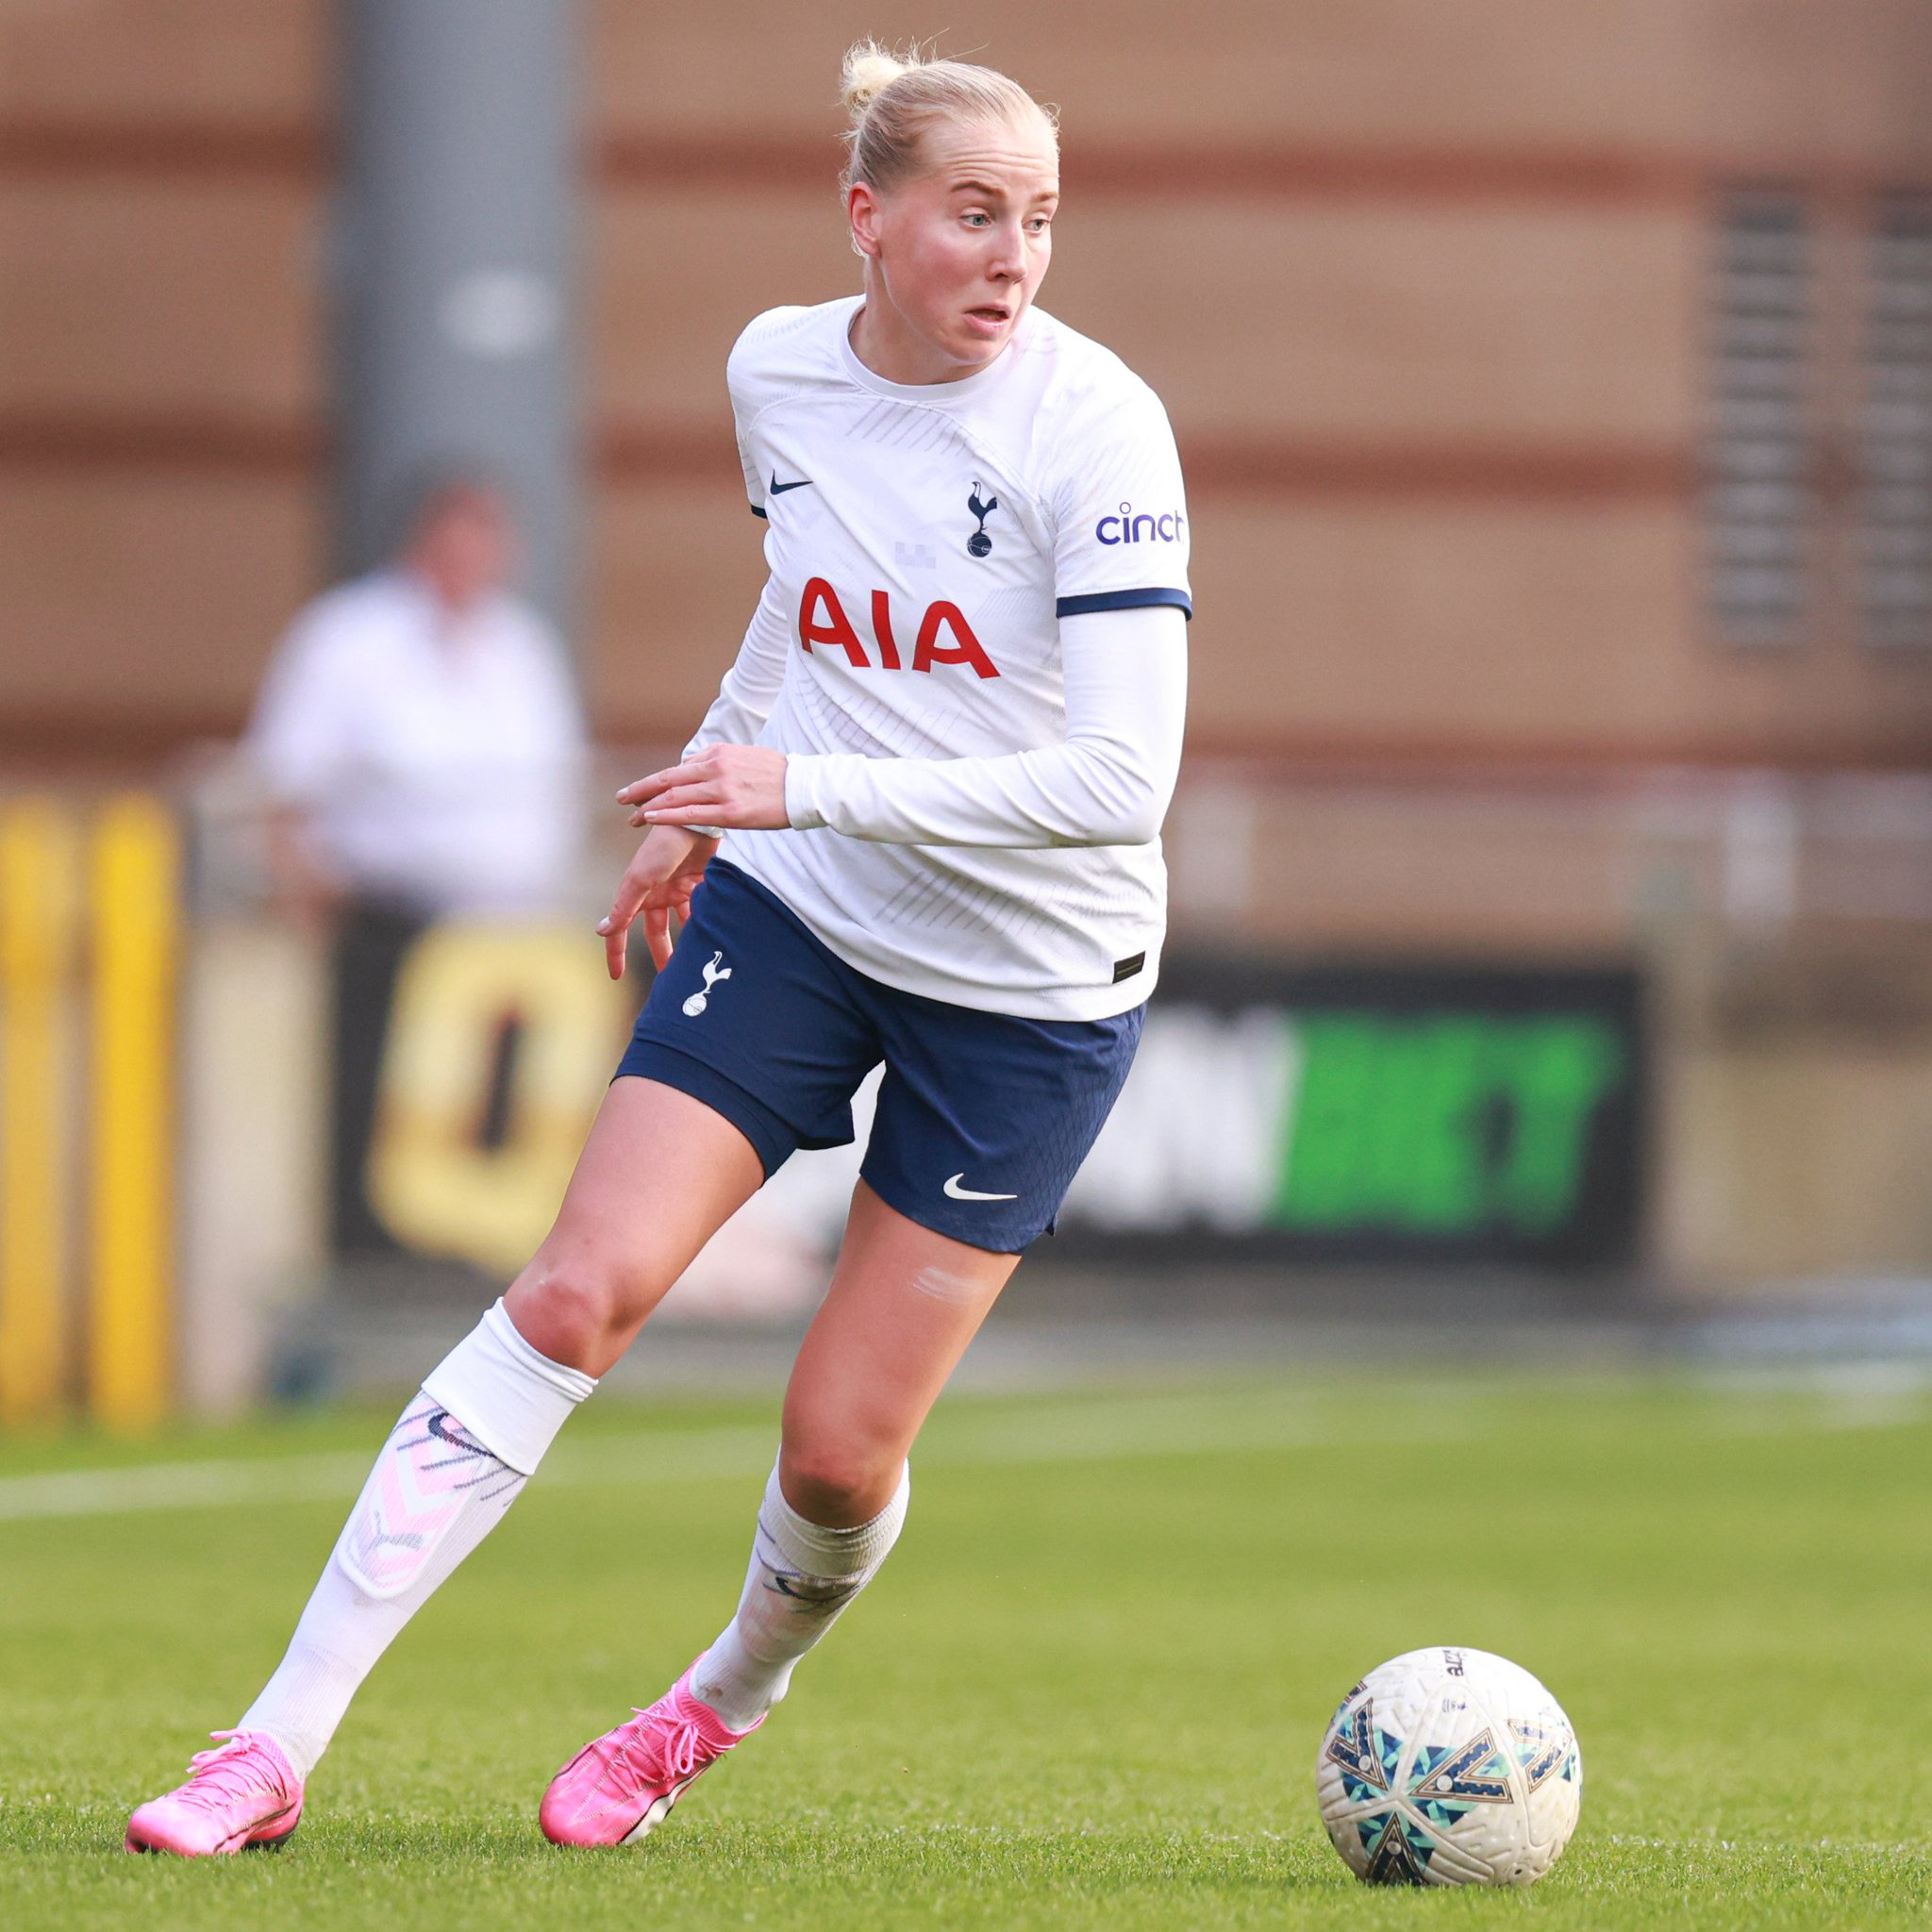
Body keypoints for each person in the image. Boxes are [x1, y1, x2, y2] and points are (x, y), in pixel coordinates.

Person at [125, 41, 1191, 1857]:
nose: (1012, 256)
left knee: (836, 1451)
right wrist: (708, 792)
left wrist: (792, 784)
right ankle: (270, 1743)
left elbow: (1119, 783)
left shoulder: (1096, 429)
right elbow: (803, 602)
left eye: (1036, 219)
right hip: (804, 909)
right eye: (971, 213)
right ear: (864, 217)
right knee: (573, 1289)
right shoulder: (776, 370)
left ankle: (718, 1699)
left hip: (1026, 990)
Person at [242, 472, 588, 1252]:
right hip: (389, 923)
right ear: (420, 539)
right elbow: (283, 787)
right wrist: (311, 896)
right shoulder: (346, 637)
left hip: (515, 934)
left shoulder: (523, 644)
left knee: (506, 1112)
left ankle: (490, 1249)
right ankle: (373, 1256)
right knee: (385, 1109)